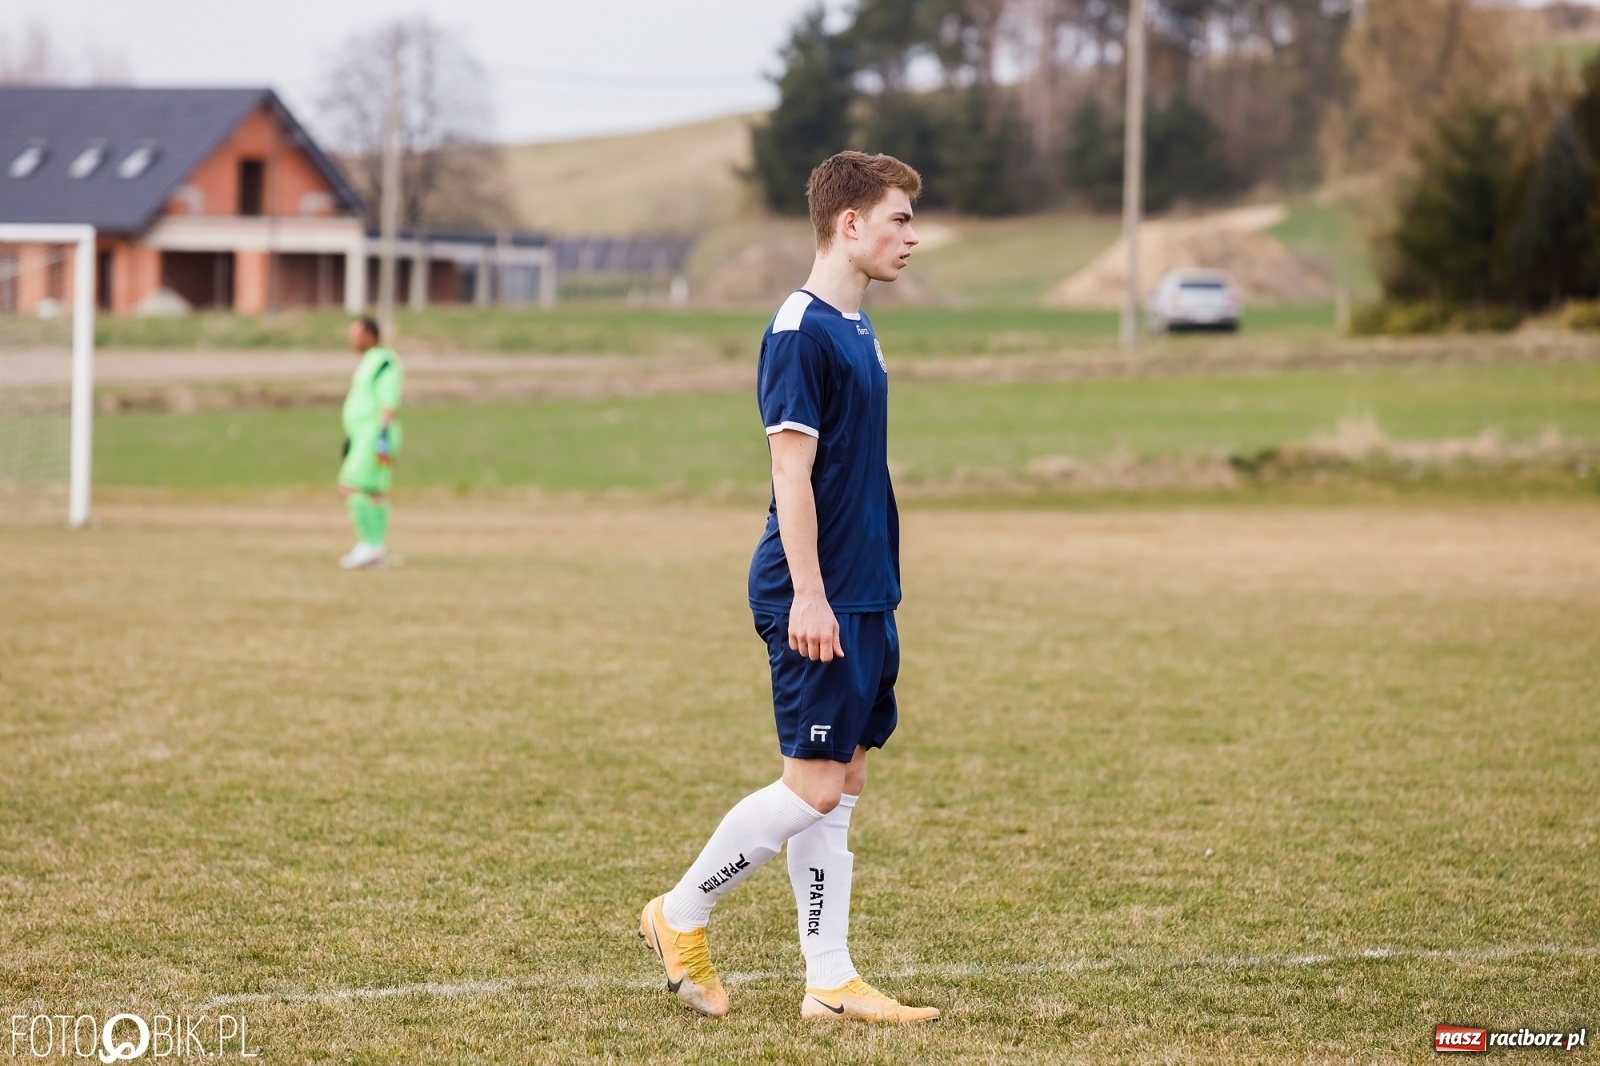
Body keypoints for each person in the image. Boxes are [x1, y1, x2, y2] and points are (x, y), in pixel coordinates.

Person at [639, 152, 937, 1025]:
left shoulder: (856, 326)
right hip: (816, 592)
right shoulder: (800, 330)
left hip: (864, 591)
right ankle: (679, 914)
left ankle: (830, 981)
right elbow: (790, 473)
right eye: (899, 220)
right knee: (811, 786)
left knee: (844, 779)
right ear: (851, 223)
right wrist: (809, 595)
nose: (911, 237)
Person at [338, 316, 403, 570]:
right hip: (362, 434)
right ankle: (376, 548)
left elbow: (388, 398)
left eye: (355, 333)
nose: (350, 339)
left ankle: (368, 544)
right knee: (375, 492)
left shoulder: (384, 361)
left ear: (369, 334)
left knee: (351, 486)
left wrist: (383, 436)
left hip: (375, 435)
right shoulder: (369, 361)